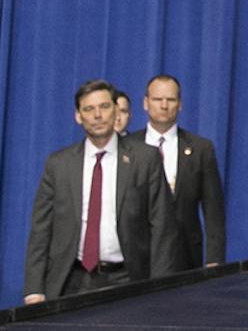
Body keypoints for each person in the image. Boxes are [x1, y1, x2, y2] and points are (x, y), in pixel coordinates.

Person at [21, 81, 180, 303]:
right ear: (78, 116)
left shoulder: (145, 159)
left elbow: (163, 227)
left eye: (104, 107)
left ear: (116, 111)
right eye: (88, 109)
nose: (97, 115)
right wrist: (34, 289)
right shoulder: (59, 164)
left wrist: (160, 288)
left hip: (128, 279)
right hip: (71, 280)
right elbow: (41, 230)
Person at [137, 74, 226, 268]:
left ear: (180, 104)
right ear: (145, 103)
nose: (164, 106)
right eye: (157, 99)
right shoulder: (127, 147)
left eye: (170, 99)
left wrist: (214, 259)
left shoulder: (201, 149)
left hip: (184, 256)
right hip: (136, 256)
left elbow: (213, 211)